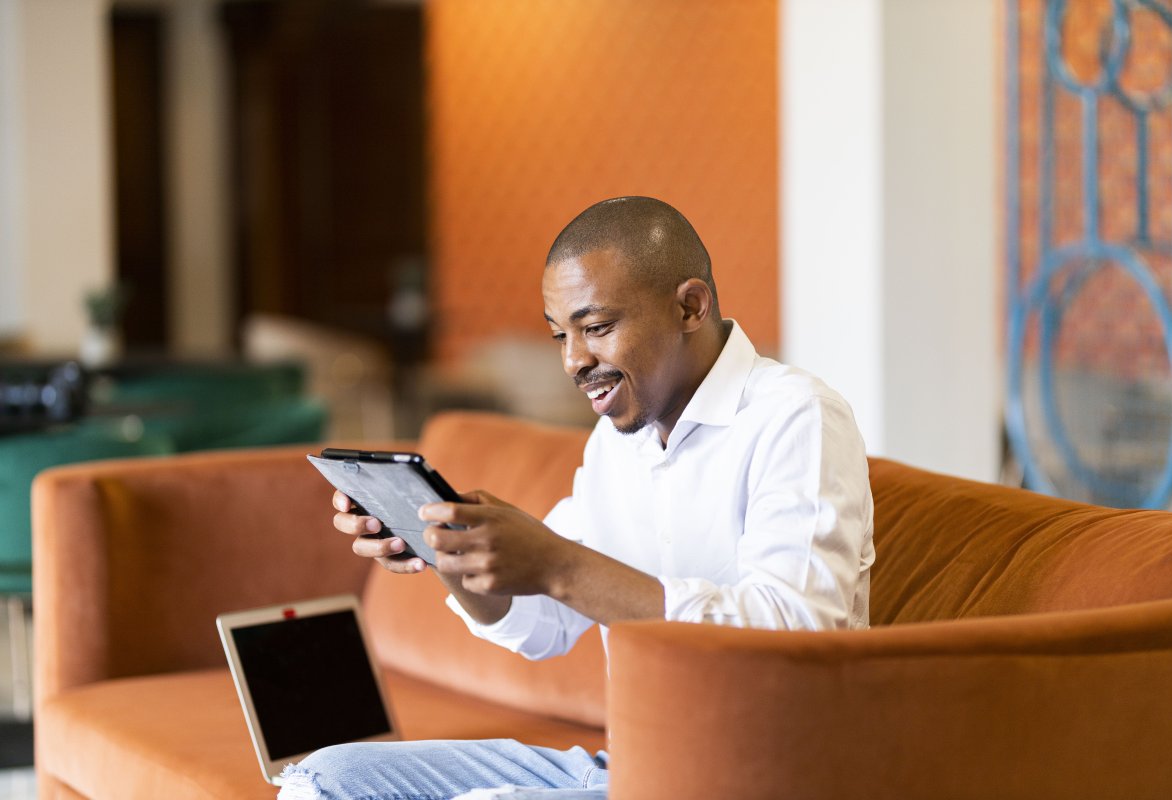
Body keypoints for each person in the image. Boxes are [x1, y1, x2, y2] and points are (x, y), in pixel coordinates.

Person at [277, 196, 875, 800]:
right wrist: (452, 553)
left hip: (758, 779)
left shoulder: (796, 416)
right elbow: (542, 627)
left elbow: (795, 636)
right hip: (632, 767)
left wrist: (557, 564)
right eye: (561, 334)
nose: (573, 360)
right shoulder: (619, 443)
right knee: (326, 778)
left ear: (690, 306)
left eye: (597, 328)